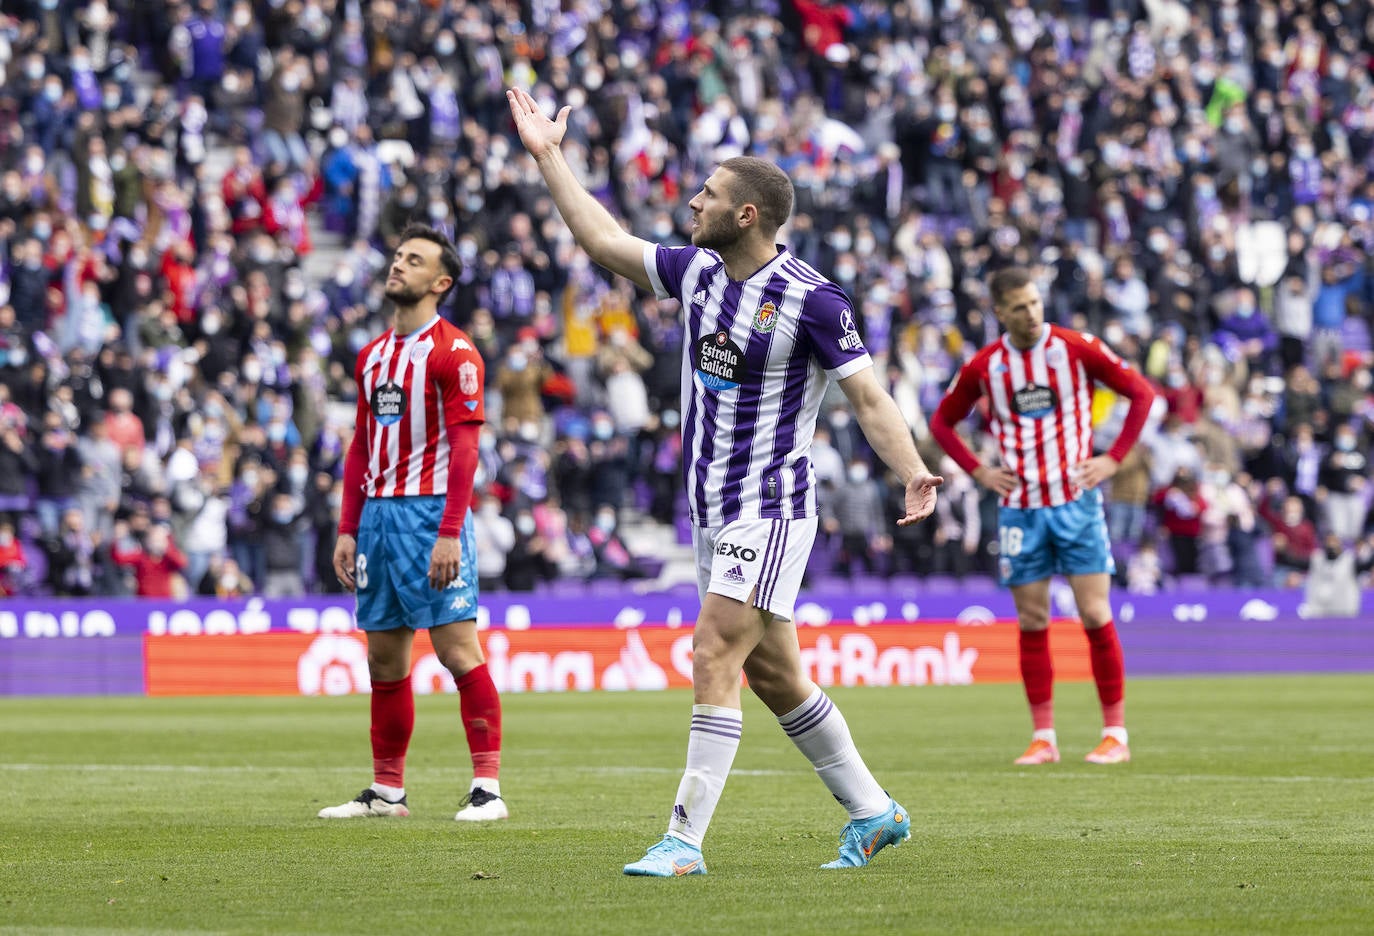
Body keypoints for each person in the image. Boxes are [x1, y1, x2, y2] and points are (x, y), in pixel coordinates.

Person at [508, 87, 944, 875]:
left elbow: (869, 396)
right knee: (776, 677)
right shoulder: (696, 272)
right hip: (710, 510)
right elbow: (604, 241)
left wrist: (911, 470)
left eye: (709, 193)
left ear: (747, 214)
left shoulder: (813, 300)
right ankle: (875, 812)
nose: (693, 199)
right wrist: (548, 156)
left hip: (770, 509)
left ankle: (683, 840)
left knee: (713, 652)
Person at [930, 267, 1156, 767]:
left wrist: (1113, 458)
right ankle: (1044, 738)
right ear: (1000, 313)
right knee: (1032, 620)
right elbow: (942, 422)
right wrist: (978, 471)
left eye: (1035, 303)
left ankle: (1115, 733)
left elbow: (1141, 393)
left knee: (1095, 614)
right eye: (1019, 307)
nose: (1031, 313)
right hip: (1020, 510)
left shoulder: (1077, 347)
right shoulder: (986, 366)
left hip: (1075, 503)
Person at [319, 224, 507, 823]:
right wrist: (348, 527)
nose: (398, 266)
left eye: (414, 260)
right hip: (377, 519)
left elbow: (467, 451)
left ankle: (487, 789)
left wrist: (450, 530)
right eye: (398, 257)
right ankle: (387, 792)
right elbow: (359, 446)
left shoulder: (455, 354)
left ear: (440, 282)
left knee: (456, 651)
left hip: (430, 515)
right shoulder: (371, 356)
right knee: (384, 661)